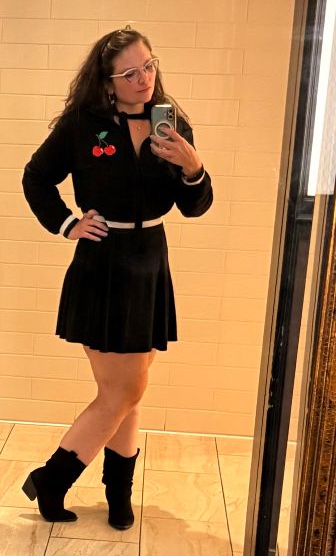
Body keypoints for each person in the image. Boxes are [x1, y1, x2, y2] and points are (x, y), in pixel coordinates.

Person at [21, 27, 213, 529]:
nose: (144, 78)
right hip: (103, 263)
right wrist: (67, 224)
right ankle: (53, 480)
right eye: (129, 73)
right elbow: (36, 177)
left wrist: (193, 168)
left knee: (132, 389)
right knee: (121, 392)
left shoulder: (171, 124)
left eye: (148, 66)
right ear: (107, 81)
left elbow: (195, 207)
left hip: (150, 260)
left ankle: (117, 492)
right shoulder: (83, 125)